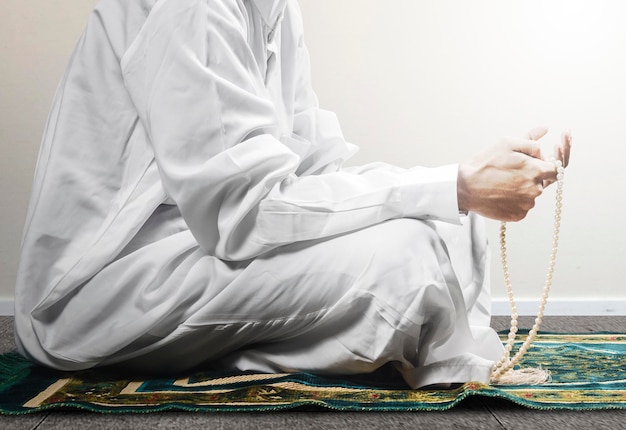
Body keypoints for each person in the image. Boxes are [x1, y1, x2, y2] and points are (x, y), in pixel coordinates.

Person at [14, 0, 571, 388]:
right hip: (101, 294)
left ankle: (301, 344)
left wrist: (475, 180)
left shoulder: (274, 10)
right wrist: (455, 183)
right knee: (409, 258)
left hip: (199, 246)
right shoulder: (192, 5)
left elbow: (312, 169)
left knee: (442, 224)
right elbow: (246, 214)